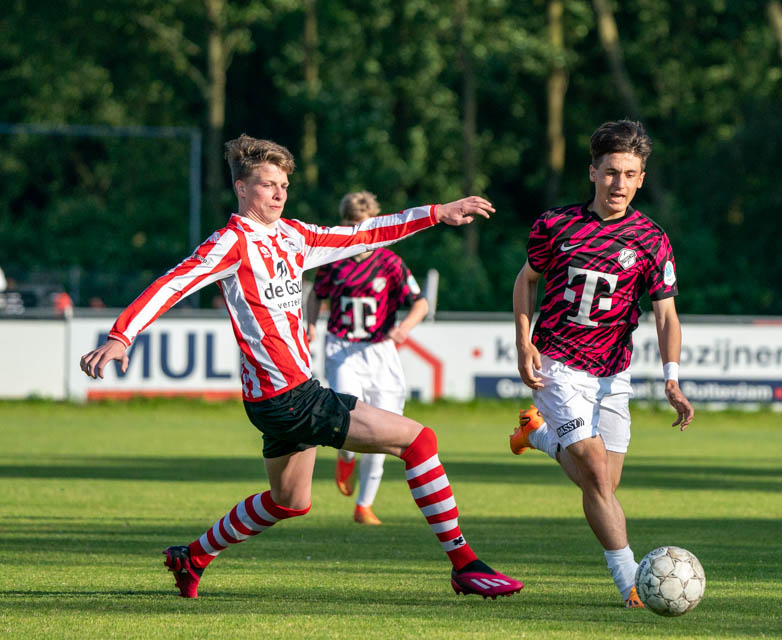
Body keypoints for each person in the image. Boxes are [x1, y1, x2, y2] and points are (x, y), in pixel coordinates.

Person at [79, 134, 522, 600]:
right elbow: (174, 283)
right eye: (268, 184)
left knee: (291, 501)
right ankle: (465, 565)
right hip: (290, 396)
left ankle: (193, 557)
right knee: (419, 441)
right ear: (242, 189)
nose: (278, 194)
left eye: (284, 185)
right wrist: (120, 335)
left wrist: (435, 212)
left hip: (278, 398)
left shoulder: (293, 236)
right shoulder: (231, 243)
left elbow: (365, 233)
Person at [510, 120, 694, 608]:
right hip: (558, 364)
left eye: (630, 174)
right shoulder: (555, 225)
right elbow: (526, 280)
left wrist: (672, 380)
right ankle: (630, 579)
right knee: (593, 472)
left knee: (605, 484)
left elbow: (666, 315)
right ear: (592, 172)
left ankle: (538, 435)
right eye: (610, 172)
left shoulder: (652, 240)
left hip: (612, 372)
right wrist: (523, 342)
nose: (619, 184)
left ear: (642, 178)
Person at [305, 190, 429, 526]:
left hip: (379, 350)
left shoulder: (390, 262)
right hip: (342, 346)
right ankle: (346, 453)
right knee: (352, 411)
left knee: (387, 425)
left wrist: (403, 328)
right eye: (350, 225)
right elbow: (316, 295)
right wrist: (310, 325)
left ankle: (364, 505)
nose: (357, 232)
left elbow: (420, 303)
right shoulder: (333, 259)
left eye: (362, 226)